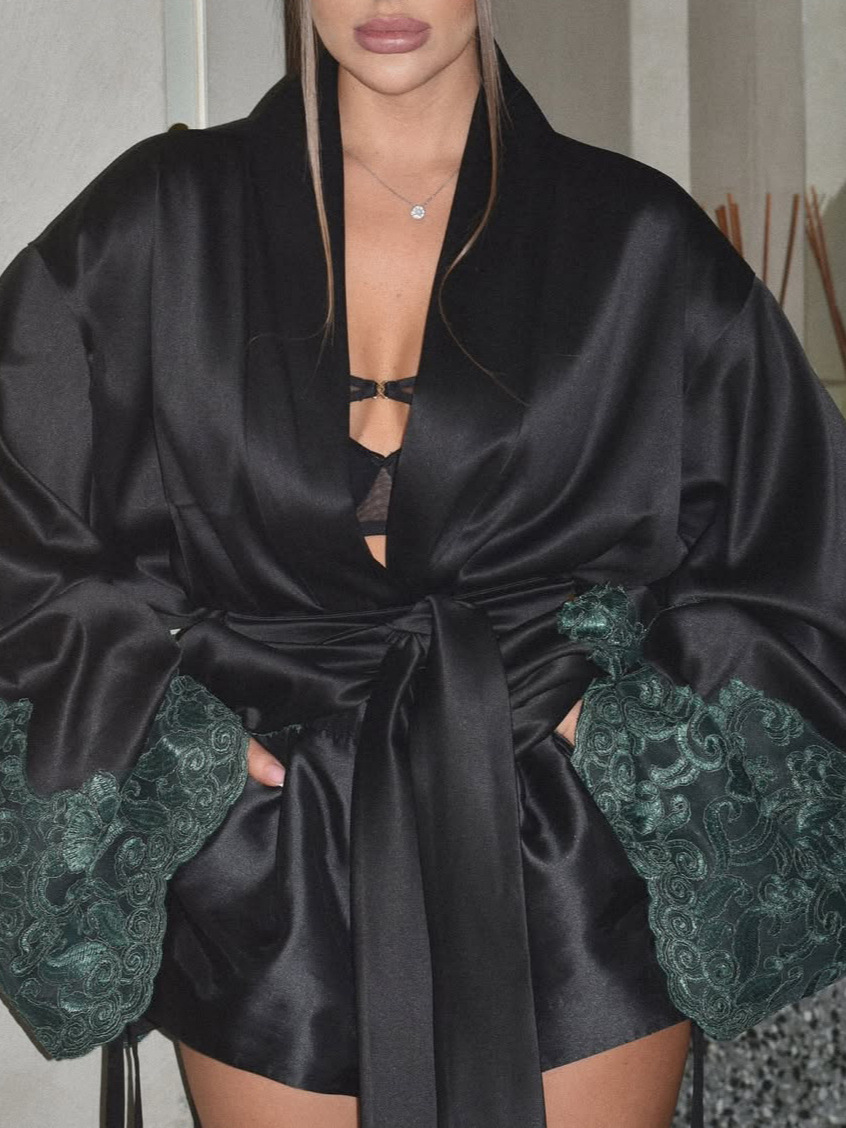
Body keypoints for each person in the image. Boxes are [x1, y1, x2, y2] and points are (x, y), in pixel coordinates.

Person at [2, 2, 846, 1126]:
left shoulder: (635, 238)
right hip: (269, 864)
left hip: (564, 848)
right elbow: (22, 510)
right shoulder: (162, 219)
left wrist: (635, 732)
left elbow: (793, 541)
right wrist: (164, 720)